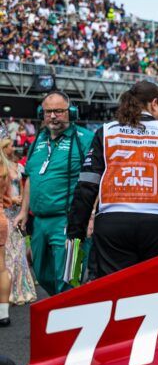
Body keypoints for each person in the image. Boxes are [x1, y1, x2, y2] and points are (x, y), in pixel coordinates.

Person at [67, 81, 158, 278]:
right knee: (156, 288)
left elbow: (87, 186)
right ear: (154, 104)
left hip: (113, 223)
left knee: (115, 291)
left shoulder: (106, 131)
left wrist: (76, 233)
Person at [14, 90, 94, 295]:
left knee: (70, 278)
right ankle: (63, 305)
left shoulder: (85, 139)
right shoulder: (38, 140)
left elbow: (97, 179)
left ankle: (71, 314)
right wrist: (23, 211)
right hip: (40, 222)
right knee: (41, 273)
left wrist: (91, 215)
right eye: (48, 111)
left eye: (59, 111)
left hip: (71, 221)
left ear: (72, 112)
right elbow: (31, 177)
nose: (52, 116)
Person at [1, 138, 35, 305]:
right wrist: (9, 199)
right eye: (9, 145)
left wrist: (22, 204)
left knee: (19, 251)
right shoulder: (2, 168)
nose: (13, 148)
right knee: (7, 253)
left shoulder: (17, 167)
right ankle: (7, 293)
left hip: (16, 212)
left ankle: (20, 290)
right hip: (4, 213)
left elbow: (23, 186)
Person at [0, 151, 12, 326]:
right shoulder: (4, 168)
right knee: (1, 268)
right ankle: (3, 313)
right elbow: (7, 200)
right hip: (0, 218)